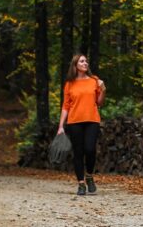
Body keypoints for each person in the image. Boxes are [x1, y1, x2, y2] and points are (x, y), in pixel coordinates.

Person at [57, 54, 106, 195]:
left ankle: (89, 176)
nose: (85, 63)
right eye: (82, 61)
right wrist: (61, 126)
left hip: (92, 120)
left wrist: (103, 90)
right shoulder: (69, 84)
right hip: (74, 122)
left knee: (90, 149)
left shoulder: (94, 80)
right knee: (78, 152)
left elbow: (99, 102)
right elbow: (65, 106)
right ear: (75, 65)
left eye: (86, 61)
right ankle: (81, 184)